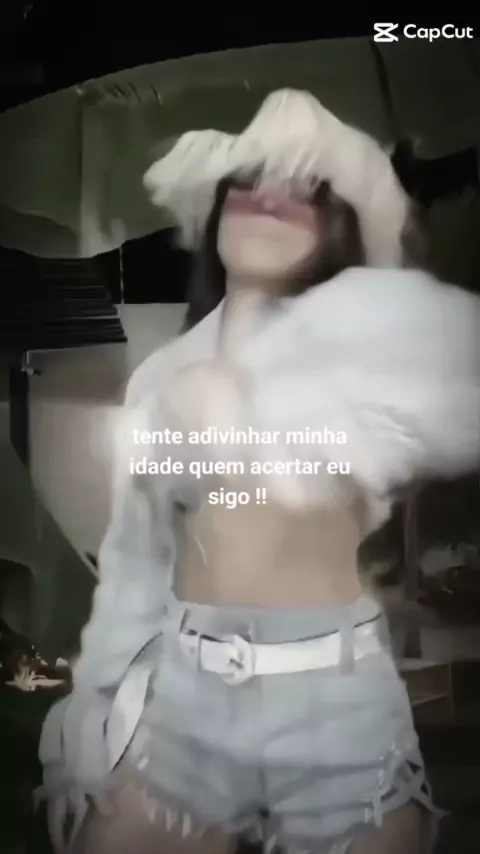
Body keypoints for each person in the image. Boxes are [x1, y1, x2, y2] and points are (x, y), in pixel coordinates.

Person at [38, 89, 480, 854]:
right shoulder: (163, 379)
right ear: (217, 213)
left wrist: (258, 409)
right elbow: (136, 569)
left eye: (303, 185)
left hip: (334, 705)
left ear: (337, 221)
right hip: (184, 698)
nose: (270, 195)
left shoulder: (376, 335)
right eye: (249, 181)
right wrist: (90, 719)